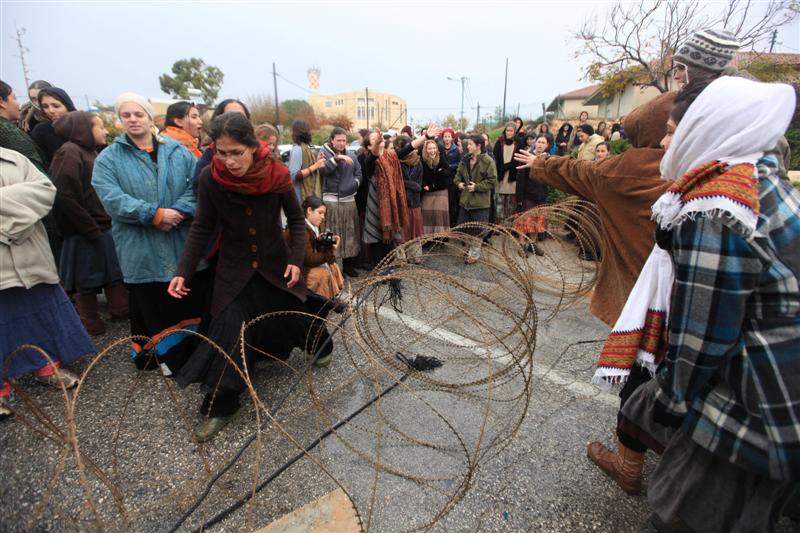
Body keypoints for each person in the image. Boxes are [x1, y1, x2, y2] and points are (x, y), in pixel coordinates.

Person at [623, 77, 798, 533]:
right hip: (784, 392)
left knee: (687, 513)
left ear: (707, 128)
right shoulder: (759, 179)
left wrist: (670, 400)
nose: (665, 142)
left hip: (761, 401)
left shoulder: (718, 207)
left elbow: (702, 335)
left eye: (672, 130)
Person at [169, 112, 333, 441]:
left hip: (275, 264)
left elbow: (296, 220)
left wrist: (296, 260)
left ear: (252, 146)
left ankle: (321, 344)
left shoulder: (277, 174)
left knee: (292, 312)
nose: (229, 161)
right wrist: (183, 271)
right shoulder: (210, 178)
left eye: (236, 152)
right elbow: (202, 226)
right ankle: (223, 404)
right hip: (234, 267)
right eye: (221, 153)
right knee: (229, 327)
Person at [514, 91, 676, 328]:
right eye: (668, 132)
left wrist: (541, 163)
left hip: (637, 299)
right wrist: (541, 162)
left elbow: (580, 171)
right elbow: (581, 169)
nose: (666, 141)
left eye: (673, 132)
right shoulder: (698, 168)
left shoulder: (623, 169)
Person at [92, 92, 210, 373]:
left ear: (149, 117)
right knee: (155, 301)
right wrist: (153, 214)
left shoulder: (177, 151)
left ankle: (197, 353)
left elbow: (196, 186)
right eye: (126, 115)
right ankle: (167, 357)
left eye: (138, 114)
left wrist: (179, 211)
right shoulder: (109, 158)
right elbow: (111, 198)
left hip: (180, 237)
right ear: (120, 120)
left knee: (189, 297)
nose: (133, 119)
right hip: (140, 244)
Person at [0, 147, 93, 419]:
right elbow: (27, 200)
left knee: (42, 311)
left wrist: (7, 224)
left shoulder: (13, 158)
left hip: (31, 254)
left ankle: (46, 366)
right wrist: (16, 207)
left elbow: (44, 192)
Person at [50, 111, 126, 336]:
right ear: (84, 130)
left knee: (112, 273)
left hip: (101, 225)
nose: (105, 131)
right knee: (85, 279)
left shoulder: (90, 151)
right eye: (100, 126)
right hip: (84, 230)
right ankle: (90, 322)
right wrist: (88, 226)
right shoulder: (69, 152)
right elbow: (64, 195)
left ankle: (120, 311)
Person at [318, 127, 362, 277]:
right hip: (331, 200)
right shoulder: (323, 153)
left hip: (349, 199)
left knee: (350, 233)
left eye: (344, 140)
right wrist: (336, 159)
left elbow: (359, 173)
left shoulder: (352, 154)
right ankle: (335, 268)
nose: (342, 143)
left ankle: (348, 266)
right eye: (338, 140)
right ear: (332, 140)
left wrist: (354, 184)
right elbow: (323, 171)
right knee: (333, 234)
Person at [452, 134, 497, 264]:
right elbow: (457, 175)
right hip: (466, 202)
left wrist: (477, 187)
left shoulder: (488, 161)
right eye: (468, 144)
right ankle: (469, 250)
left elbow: (492, 181)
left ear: (479, 146)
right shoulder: (465, 159)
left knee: (478, 231)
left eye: (471, 144)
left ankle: (474, 254)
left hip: (480, 203)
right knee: (465, 229)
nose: (468, 146)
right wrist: (459, 183)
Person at [194, 98, 251, 183]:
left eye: (240, 117)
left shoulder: (268, 163)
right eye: (222, 153)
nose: (230, 162)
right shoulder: (207, 161)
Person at [298, 195, 344, 298]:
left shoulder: (313, 227)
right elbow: (309, 260)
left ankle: (330, 297)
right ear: (309, 210)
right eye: (320, 212)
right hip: (296, 270)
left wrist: (322, 243)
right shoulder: (302, 230)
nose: (323, 217)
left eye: (324, 213)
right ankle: (321, 302)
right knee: (323, 273)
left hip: (303, 266)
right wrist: (330, 251)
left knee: (333, 265)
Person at [0, 81, 47, 174]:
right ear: (1, 102)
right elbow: (37, 171)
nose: (18, 104)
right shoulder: (8, 132)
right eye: (14, 98)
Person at [513, 134, 549, 256]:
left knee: (537, 221)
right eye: (539, 142)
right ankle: (522, 244)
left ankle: (532, 244)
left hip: (541, 195)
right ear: (535, 143)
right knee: (525, 221)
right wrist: (519, 197)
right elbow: (520, 179)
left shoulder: (548, 160)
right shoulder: (527, 157)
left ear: (547, 145)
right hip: (527, 195)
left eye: (543, 142)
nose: (540, 144)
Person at [672, 28, 740, 87]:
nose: (675, 76)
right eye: (676, 68)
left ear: (703, 71)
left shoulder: (722, 96)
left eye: (682, 68)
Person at [395, 134, 424, 263]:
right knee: (401, 232)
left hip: (415, 203)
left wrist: (409, 185)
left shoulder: (418, 163)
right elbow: (397, 183)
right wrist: (412, 185)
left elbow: (419, 185)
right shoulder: (397, 163)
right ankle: (400, 258)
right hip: (401, 202)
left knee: (415, 231)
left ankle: (415, 256)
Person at [30, 87, 77, 164]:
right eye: (45, 107)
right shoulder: (41, 131)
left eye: (56, 106)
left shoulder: (85, 126)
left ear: (67, 106)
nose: (51, 111)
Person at [288, 119, 324, 203]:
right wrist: (316, 165)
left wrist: (317, 161)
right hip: (300, 198)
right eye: (308, 130)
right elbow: (294, 175)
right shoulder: (297, 149)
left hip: (306, 198)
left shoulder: (305, 148)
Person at [420, 138, 451, 235]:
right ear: (426, 150)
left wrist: (441, 171)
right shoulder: (422, 161)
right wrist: (424, 184)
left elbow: (448, 172)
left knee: (439, 215)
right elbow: (420, 176)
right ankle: (428, 236)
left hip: (441, 191)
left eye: (434, 148)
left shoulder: (441, 158)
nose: (432, 151)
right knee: (427, 214)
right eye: (430, 149)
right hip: (428, 192)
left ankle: (441, 236)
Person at [492, 122, 521, 223]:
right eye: (508, 130)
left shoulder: (518, 143)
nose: (509, 133)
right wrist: (500, 168)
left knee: (510, 208)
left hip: (512, 179)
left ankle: (508, 227)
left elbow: (518, 160)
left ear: (514, 132)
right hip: (500, 178)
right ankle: (499, 227)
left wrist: (505, 166)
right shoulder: (499, 143)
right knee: (499, 209)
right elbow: (495, 158)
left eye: (511, 131)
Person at [440, 127, 461, 227]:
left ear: (452, 138)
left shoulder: (456, 150)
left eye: (449, 136)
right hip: (442, 178)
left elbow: (459, 164)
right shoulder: (439, 148)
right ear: (442, 138)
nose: (447, 138)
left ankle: (451, 222)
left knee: (451, 202)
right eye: (445, 136)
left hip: (452, 179)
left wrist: (449, 167)